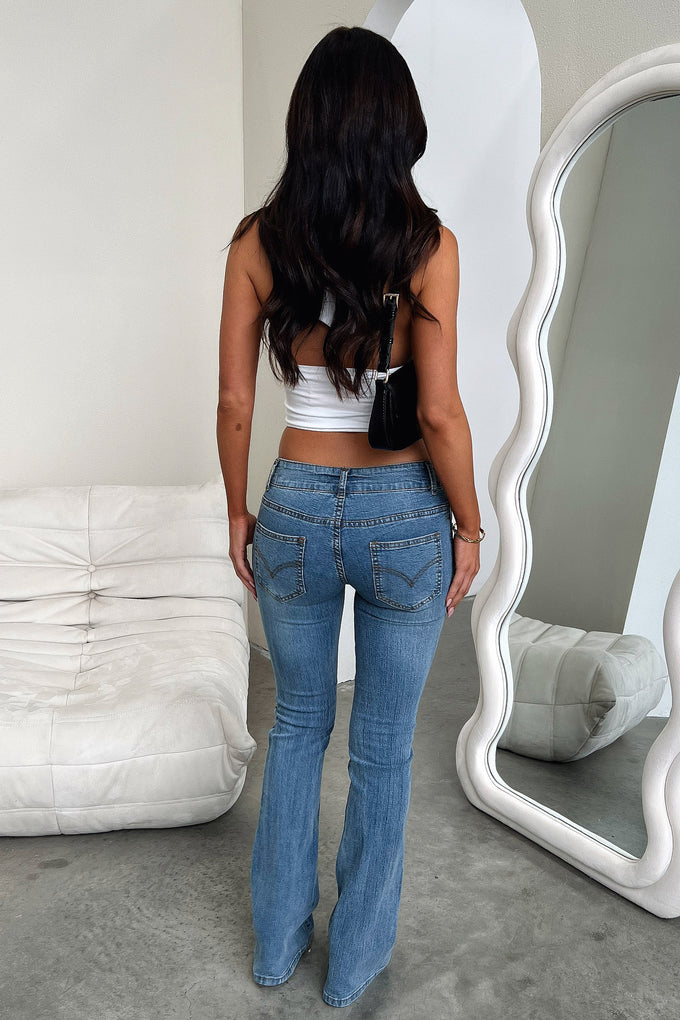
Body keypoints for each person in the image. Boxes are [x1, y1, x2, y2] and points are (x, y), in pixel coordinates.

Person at [216, 25, 482, 1009]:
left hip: (292, 503)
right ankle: (354, 965)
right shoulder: (428, 246)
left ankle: (275, 948)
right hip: (402, 513)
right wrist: (470, 527)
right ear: (396, 126)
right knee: (382, 749)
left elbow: (235, 402)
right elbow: (440, 414)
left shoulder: (257, 241)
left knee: (295, 729)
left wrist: (237, 512)